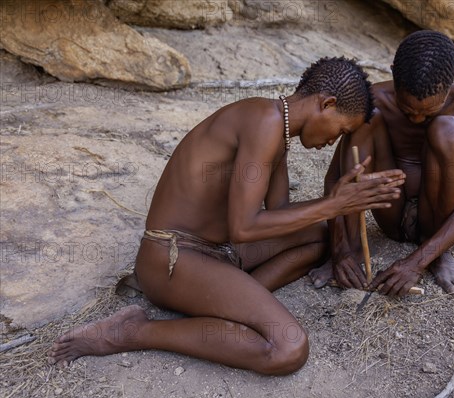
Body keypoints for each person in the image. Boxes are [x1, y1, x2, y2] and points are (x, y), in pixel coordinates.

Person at [48, 57, 406, 375]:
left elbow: (281, 214)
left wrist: (338, 203)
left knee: (318, 233)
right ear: (326, 104)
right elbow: (245, 226)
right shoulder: (263, 122)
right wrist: (332, 205)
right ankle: (132, 331)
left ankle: (229, 303)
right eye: (341, 130)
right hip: (173, 258)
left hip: (215, 253)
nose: (334, 141)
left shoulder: (276, 127)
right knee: (288, 348)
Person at [310, 31, 454, 296]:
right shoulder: (373, 97)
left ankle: (438, 252)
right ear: (394, 74)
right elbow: (336, 178)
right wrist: (338, 248)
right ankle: (353, 244)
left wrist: (418, 262)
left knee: (447, 130)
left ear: (453, 78)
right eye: (408, 110)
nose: (417, 120)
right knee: (368, 116)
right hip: (390, 211)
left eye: (427, 112)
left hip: (439, 214)